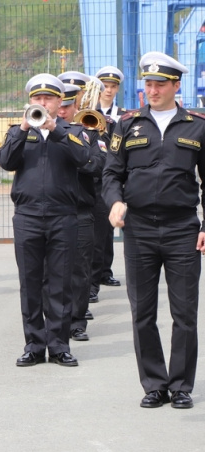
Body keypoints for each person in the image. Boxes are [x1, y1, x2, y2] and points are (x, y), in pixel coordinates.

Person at [102, 52, 205, 409]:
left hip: (182, 229)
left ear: (177, 86)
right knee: (142, 311)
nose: (153, 90)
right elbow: (111, 173)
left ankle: (180, 386)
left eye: (160, 84)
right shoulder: (128, 125)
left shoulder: (197, 125)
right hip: (139, 229)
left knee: (184, 313)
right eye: (148, 84)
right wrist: (114, 202)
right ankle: (154, 384)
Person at [0, 73, 92, 368]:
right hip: (27, 216)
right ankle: (34, 345)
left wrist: (57, 132)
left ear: (58, 102)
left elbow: (88, 161)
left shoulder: (72, 131)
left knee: (60, 282)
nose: (42, 103)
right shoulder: (18, 132)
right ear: (30, 101)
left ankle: (59, 344)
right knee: (30, 281)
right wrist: (24, 128)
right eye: (37, 99)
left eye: (48, 98)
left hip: (63, 215)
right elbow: (5, 162)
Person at [55, 77, 106, 343]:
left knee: (80, 269)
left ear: (75, 105)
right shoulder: (41, 130)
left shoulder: (90, 133)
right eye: (58, 105)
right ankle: (53, 321)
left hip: (80, 209)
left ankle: (77, 321)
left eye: (66, 106)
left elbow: (99, 165)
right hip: (52, 210)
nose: (61, 111)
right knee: (49, 270)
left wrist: (74, 148)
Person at [90, 65, 125, 298]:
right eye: (105, 87)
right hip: (92, 174)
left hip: (110, 175)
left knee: (107, 226)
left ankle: (105, 270)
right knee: (93, 229)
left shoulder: (122, 114)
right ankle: (93, 276)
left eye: (113, 87)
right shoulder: (89, 111)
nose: (109, 91)